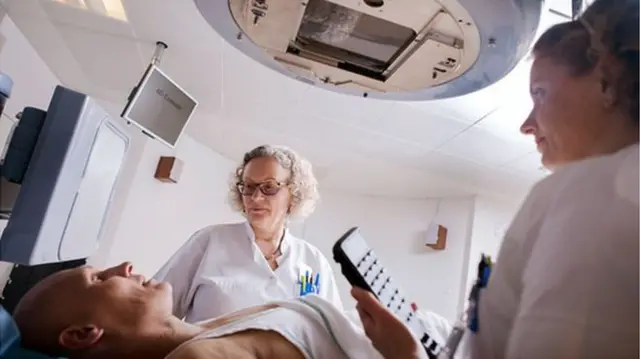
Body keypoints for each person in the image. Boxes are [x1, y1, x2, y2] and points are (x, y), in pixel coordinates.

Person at [354, 0, 639, 358]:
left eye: (540, 93)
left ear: (606, 79)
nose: (526, 125)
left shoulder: (591, 195)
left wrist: (407, 356)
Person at [11, 262, 410, 359]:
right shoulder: (197, 357)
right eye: (100, 279)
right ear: (83, 333)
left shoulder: (204, 335)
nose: (125, 267)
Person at [153, 145, 343, 322]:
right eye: (249, 186)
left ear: (294, 194)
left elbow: (332, 336)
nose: (256, 197)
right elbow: (153, 313)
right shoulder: (209, 242)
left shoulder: (313, 261)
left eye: (269, 187)